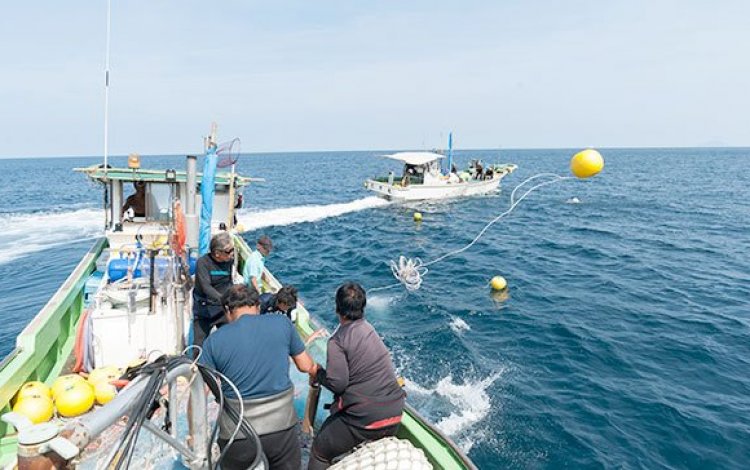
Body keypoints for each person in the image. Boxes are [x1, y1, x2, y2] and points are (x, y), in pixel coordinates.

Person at [199, 284, 317, 470]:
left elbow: (199, 394)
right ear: (257, 305)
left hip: (237, 438)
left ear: (227, 310)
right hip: (282, 430)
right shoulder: (282, 324)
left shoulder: (213, 341)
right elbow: (306, 366)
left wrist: (193, 436)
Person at [308, 282, 406, 470]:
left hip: (365, 420)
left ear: (337, 309)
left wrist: (318, 372)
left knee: (320, 449)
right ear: (362, 307)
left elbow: (338, 384)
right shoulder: (369, 329)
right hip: (394, 413)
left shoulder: (337, 341)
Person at [192, 232, 235, 349]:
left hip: (222, 310)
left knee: (231, 341)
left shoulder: (229, 261)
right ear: (217, 253)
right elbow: (206, 287)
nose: (231, 254)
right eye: (228, 251)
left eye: (233, 250)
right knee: (199, 346)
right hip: (204, 310)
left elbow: (228, 281)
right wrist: (223, 299)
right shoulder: (203, 263)